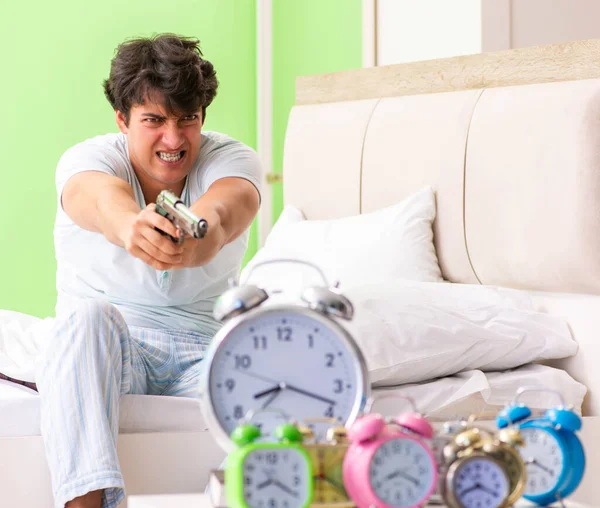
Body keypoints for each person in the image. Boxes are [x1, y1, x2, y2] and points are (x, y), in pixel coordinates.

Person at [36, 33, 262, 508]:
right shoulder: (87, 160)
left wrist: (197, 240)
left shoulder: (233, 160)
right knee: (85, 318)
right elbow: (99, 199)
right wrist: (129, 226)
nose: (174, 139)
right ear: (123, 119)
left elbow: (223, 213)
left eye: (188, 120)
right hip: (116, 348)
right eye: (154, 121)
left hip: (204, 352)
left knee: (268, 350)